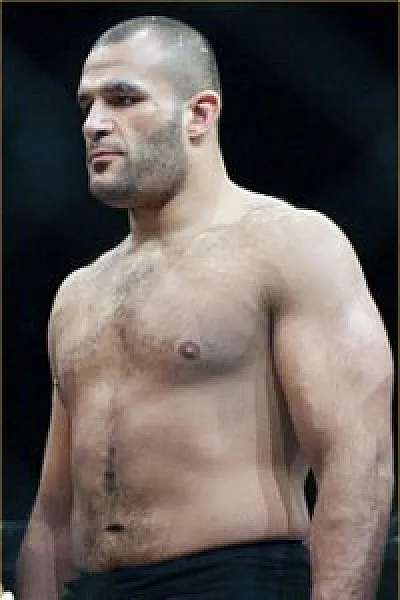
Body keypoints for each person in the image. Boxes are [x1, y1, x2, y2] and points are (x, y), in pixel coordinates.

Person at [16, 15, 394, 600]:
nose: (95, 123)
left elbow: (356, 458)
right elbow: (53, 514)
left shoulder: (288, 244)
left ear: (198, 113)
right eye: (87, 104)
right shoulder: (79, 293)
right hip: (98, 588)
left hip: (234, 580)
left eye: (123, 99)